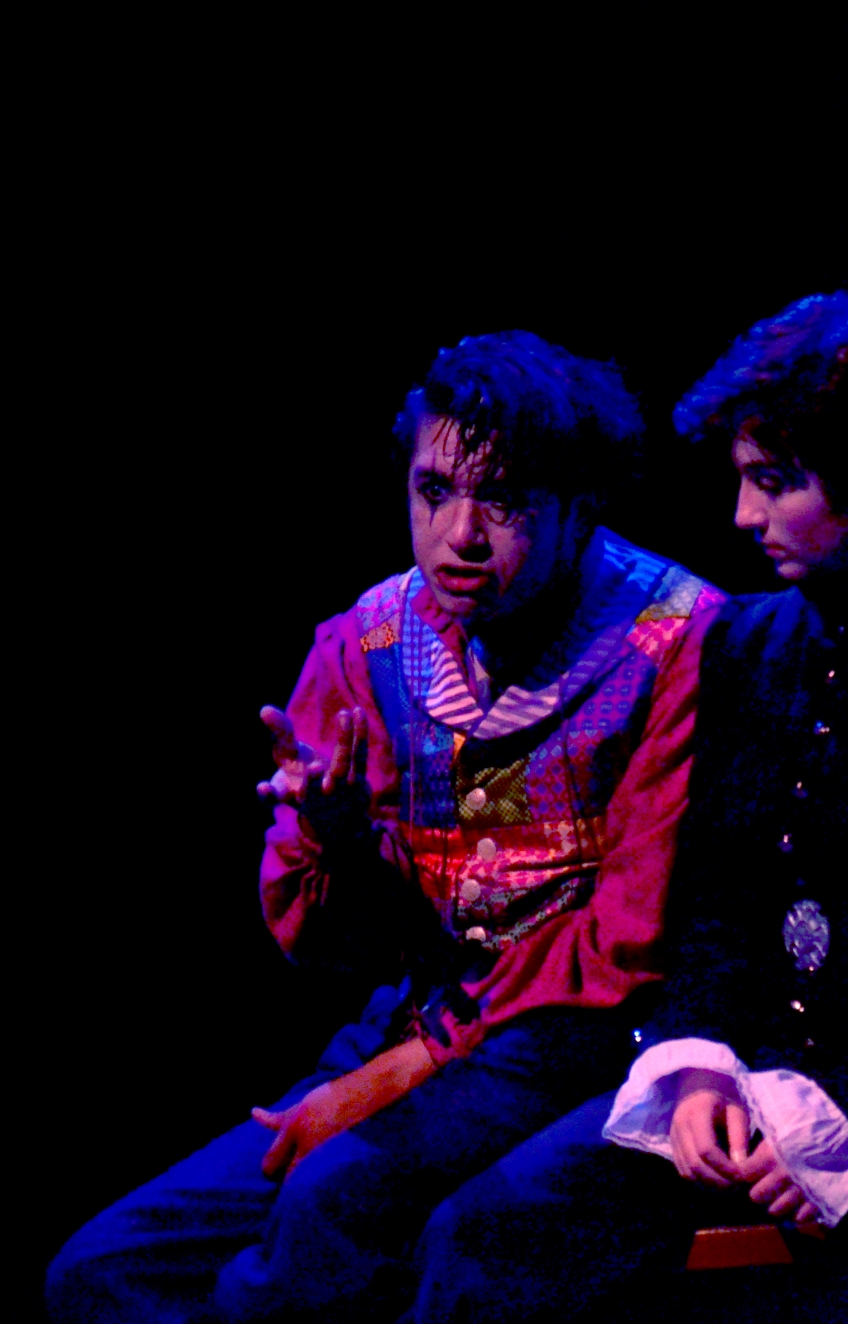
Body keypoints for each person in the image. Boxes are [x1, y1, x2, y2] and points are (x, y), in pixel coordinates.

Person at [409, 292, 848, 1323]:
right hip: (756, 1072)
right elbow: (713, 902)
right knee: (490, 1231)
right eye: (745, 479)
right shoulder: (747, 647)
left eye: (775, 482)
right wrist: (697, 1062)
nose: (744, 516)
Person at [46, 330, 724, 1323]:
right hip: (420, 1022)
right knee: (105, 1271)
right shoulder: (364, 648)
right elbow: (331, 948)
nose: (459, 534)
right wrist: (337, 839)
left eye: (503, 501)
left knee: (327, 1207)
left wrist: (407, 1068)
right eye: (434, 491)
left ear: (579, 507)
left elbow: (632, 938)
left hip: (576, 1048)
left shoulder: (674, 644)